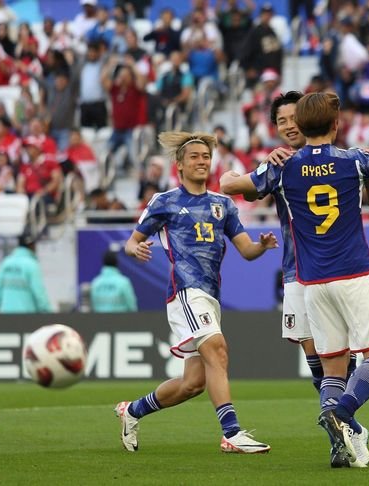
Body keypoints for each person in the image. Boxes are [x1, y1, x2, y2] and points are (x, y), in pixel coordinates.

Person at [227, 92, 369, 467]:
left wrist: (255, 169)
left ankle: (340, 432)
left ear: (301, 123)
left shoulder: (282, 168)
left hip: (311, 280)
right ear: (336, 125)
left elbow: (232, 185)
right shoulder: (353, 159)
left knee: (331, 365)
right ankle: (343, 413)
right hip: (352, 272)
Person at [115, 131, 277, 454]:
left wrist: (260, 246)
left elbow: (245, 250)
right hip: (185, 292)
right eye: (195, 157)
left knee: (193, 384)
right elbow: (132, 240)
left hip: (210, 296)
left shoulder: (223, 205)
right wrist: (137, 249)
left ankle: (132, 411)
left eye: (206, 156)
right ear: (179, 165)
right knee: (217, 349)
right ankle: (231, 432)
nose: (202, 161)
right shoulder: (166, 202)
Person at [0, 234, 52, 314]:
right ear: (32, 246)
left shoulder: (5, 263)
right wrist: (48, 313)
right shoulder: (31, 265)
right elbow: (39, 294)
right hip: (28, 318)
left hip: (6, 317)